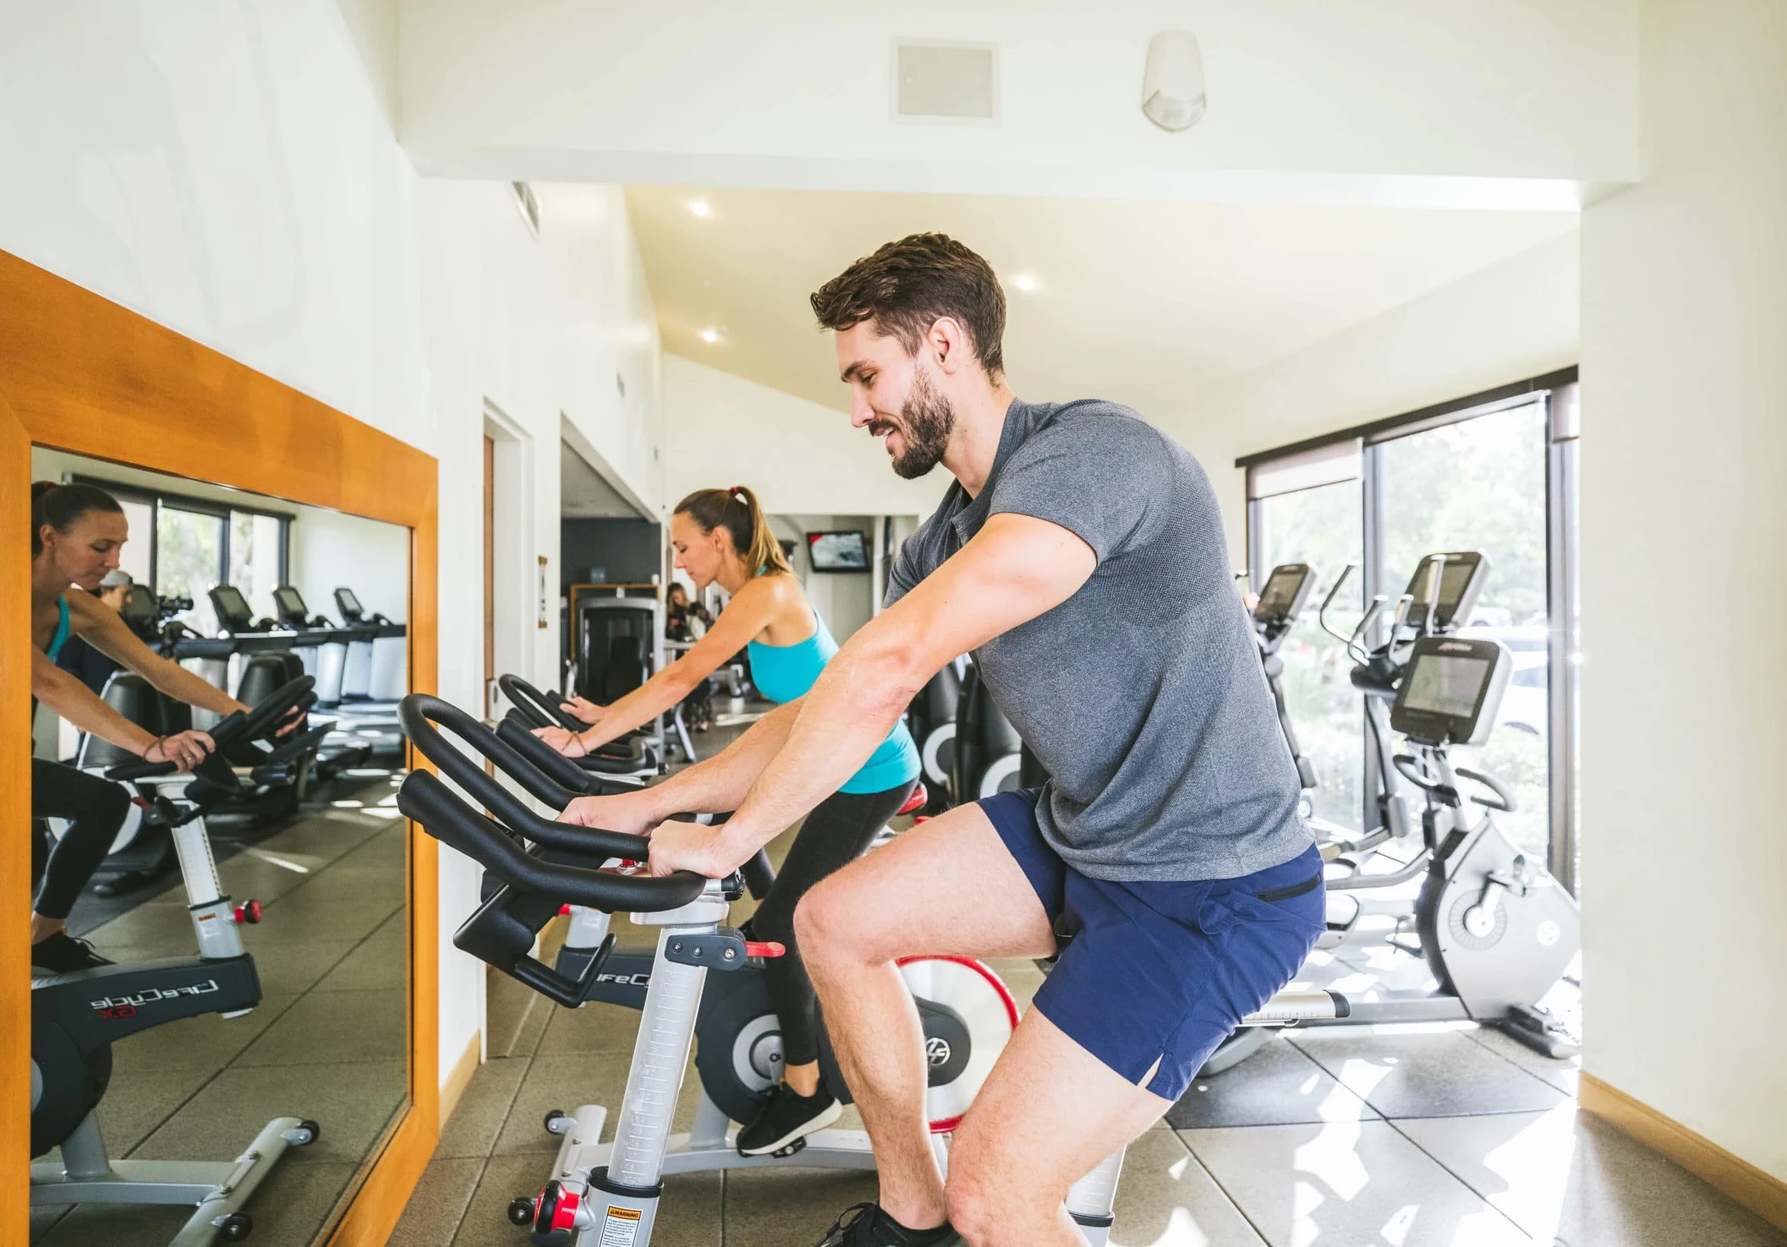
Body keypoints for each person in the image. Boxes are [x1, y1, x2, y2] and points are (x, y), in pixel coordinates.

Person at [557, 234, 1322, 1247]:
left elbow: (891, 661)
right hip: (1086, 831)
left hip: (1211, 884)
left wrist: (733, 839)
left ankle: (958, 1210)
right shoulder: (941, 539)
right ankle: (910, 1214)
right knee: (830, 921)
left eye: (867, 376)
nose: (857, 409)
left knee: (997, 1200)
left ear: (947, 346)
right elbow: (827, 701)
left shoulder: (1097, 455)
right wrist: (648, 803)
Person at [540, 485, 922, 1156]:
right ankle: (772, 942)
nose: (678, 561)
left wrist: (585, 742)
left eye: (683, 546)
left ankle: (806, 1089)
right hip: (822, 755)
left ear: (719, 540)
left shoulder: (766, 593)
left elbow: (682, 677)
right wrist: (602, 718)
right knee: (726, 823)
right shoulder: (759, 590)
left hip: (867, 769)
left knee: (785, 924)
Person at [29, 482, 267, 972]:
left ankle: (43, 936)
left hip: (4, 758)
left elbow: (159, 671)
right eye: (101, 547)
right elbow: (47, 682)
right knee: (38, 847)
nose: (113, 561)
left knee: (101, 805)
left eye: (119, 547)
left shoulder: (78, 607)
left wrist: (246, 715)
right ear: (50, 537)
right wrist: (151, 745)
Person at [55, 568, 135, 694]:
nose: (130, 600)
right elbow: (67, 669)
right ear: (105, 590)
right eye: (125, 594)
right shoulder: (79, 623)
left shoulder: (127, 625)